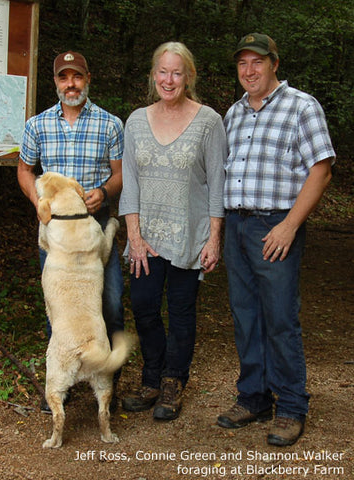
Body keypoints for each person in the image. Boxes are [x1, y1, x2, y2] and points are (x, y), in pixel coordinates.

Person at [218, 33, 335, 446]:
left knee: (280, 318)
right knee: (246, 315)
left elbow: (321, 169)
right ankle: (253, 397)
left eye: (257, 62)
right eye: (242, 64)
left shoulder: (301, 106)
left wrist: (289, 226)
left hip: (275, 225)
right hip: (237, 224)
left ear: (274, 64)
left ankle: (290, 406)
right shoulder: (233, 114)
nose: (249, 71)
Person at [119, 41, 226, 420]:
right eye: (162, 72)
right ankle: (151, 376)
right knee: (144, 308)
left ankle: (173, 382)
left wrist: (214, 239)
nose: (169, 79)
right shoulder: (135, 121)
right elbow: (129, 182)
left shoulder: (209, 121)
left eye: (176, 72)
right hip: (144, 237)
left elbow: (217, 184)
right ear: (153, 75)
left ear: (189, 77)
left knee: (181, 312)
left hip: (190, 236)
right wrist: (133, 235)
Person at [17, 51, 125, 412]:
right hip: (56, 233)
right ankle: (59, 385)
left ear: (88, 78)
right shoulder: (38, 125)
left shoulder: (110, 124)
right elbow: (24, 170)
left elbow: (121, 173)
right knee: (58, 310)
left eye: (76, 76)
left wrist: (105, 192)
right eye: (64, 78)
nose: (71, 84)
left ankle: (106, 385)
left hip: (93, 228)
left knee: (108, 304)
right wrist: (38, 203)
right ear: (55, 83)